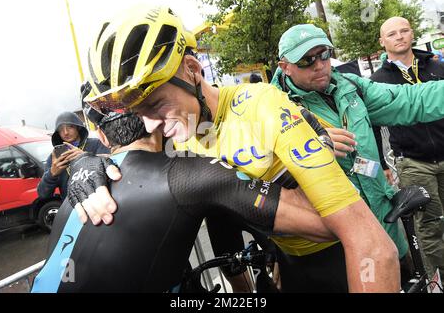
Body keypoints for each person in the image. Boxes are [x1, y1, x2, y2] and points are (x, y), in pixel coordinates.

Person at [72, 6, 437, 292]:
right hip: (288, 261)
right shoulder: (178, 125)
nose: (150, 125)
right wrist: (86, 168)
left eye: (156, 106)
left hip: (338, 256)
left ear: (192, 69)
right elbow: (129, 163)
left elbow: (372, 245)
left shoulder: (260, 106)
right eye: (140, 112)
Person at [31, 105, 337, 292]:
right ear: (159, 123)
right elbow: (327, 223)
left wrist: (79, 163)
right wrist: (311, 141)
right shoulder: (190, 175)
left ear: (104, 137)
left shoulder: (83, 188)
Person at [271, 23, 444, 290]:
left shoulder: (349, 86)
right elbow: (259, 172)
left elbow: (409, 100)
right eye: (306, 60)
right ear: (285, 66)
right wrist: (310, 145)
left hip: (383, 222)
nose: (319, 65)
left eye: (324, 54)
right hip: (336, 243)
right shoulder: (274, 108)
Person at [370, 16, 444, 280]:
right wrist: (380, 163)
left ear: (412, 33)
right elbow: (374, 126)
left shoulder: (436, 66)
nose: (399, 37)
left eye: (404, 31)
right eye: (392, 34)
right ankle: (439, 280)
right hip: (413, 162)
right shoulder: (378, 80)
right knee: (430, 225)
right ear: (382, 41)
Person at [37, 111, 109, 200]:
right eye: (60, 129)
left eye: (70, 127)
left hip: (102, 199)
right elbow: (43, 194)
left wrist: (86, 157)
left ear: (78, 127)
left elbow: (112, 166)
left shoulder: (96, 144)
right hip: (74, 208)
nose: (65, 132)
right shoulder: (55, 157)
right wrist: (51, 174)